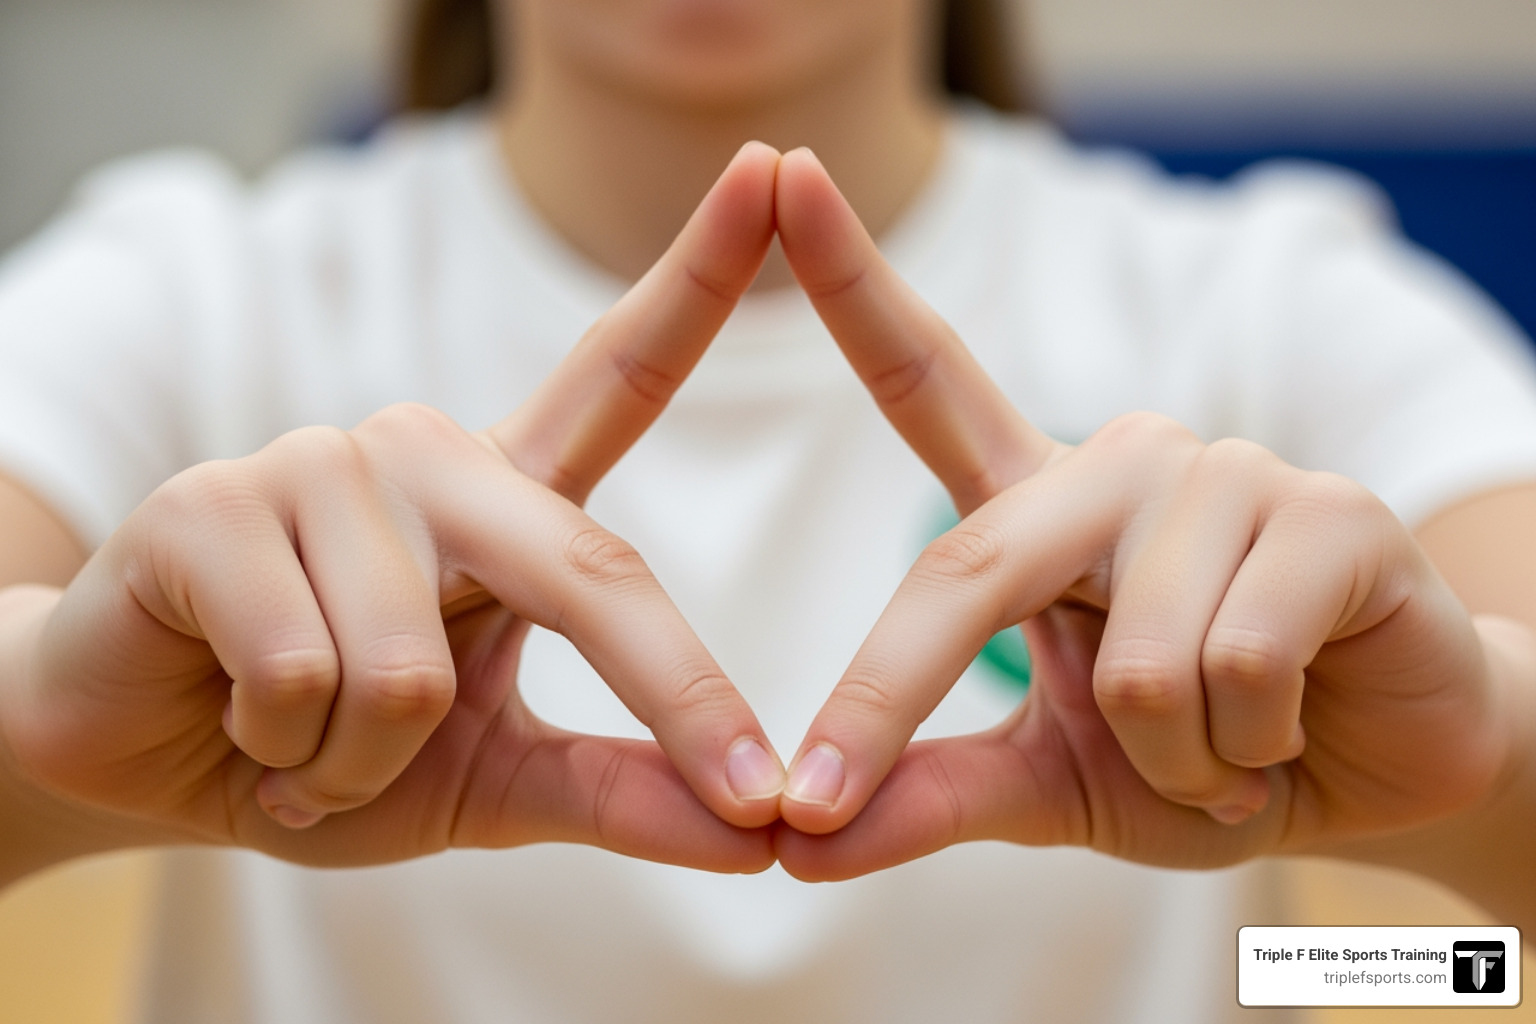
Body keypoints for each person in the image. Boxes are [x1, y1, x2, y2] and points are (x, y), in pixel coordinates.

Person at [0, 0, 1533, 1019]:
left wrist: (1473, 808)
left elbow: (1453, 968)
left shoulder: (1261, 297)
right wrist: (46, 750)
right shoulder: (190, 290)